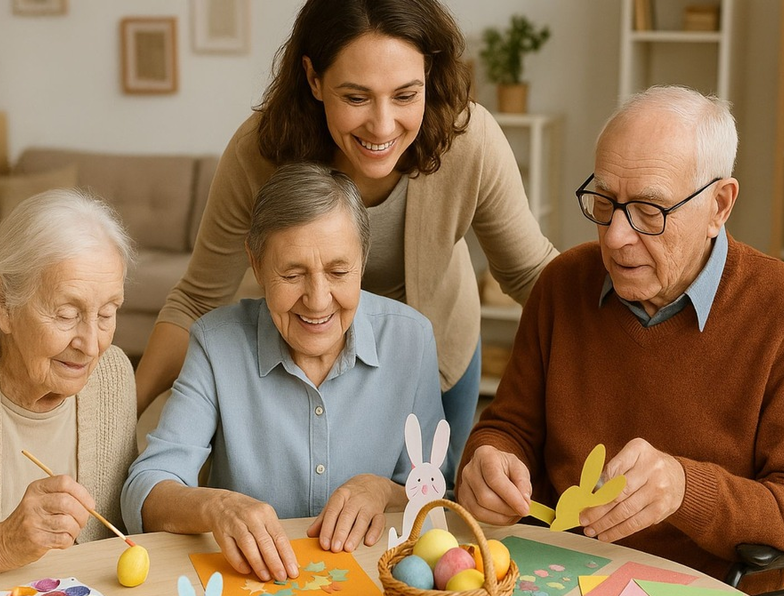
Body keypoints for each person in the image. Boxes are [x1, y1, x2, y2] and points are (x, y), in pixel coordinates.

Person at [132, 0, 559, 488]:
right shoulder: (260, 151)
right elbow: (197, 298)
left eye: (405, 95)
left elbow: (533, 276)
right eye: (356, 98)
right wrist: (125, 417)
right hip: (303, 356)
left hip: (435, 358)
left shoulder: (470, 139)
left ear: (430, 72)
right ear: (313, 78)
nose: (382, 126)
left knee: (419, 515)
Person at [456, 85, 784, 596]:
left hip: (705, 588)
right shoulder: (562, 283)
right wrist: (487, 460)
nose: (616, 236)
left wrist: (686, 490)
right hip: (554, 576)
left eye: (648, 210)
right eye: (605, 202)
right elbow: (510, 429)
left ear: (719, 205)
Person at [121, 163, 444, 583]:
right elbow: (145, 488)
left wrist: (383, 490)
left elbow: (438, 495)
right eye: (292, 275)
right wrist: (216, 506)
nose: (317, 299)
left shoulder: (412, 339)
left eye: (338, 272)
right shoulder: (215, 343)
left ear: (363, 261)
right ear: (256, 265)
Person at [0, 189, 137, 572]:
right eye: (65, 314)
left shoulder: (111, 377)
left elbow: (119, 538)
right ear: (5, 306)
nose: (92, 345)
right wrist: (5, 545)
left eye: (108, 313)